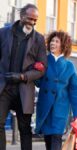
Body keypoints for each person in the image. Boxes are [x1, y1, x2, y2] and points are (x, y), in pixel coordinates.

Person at [0, 4, 47, 150]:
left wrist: (22, 76)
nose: (32, 23)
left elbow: (42, 68)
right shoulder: (3, 33)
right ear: (21, 17)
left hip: (24, 90)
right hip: (4, 87)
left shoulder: (39, 39)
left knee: (25, 129)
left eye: (35, 20)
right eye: (30, 19)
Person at [35, 31, 77, 150]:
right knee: (48, 140)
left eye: (56, 41)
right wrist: (37, 71)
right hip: (45, 108)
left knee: (56, 139)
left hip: (60, 109)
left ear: (63, 45)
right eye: (52, 41)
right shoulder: (44, 61)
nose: (53, 43)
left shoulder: (69, 66)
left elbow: (75, 93)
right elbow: (38, 83)